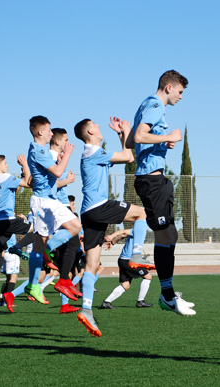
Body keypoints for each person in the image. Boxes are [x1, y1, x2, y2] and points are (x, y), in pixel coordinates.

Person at [126, 70, 196, 316]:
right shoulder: (155, 105)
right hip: (151, 182)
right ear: (169, 87)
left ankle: (168, 292)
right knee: (165, 235)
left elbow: (132, 141)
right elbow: (139, 136)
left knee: (171, 235)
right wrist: (168, 136)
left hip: (157, 180)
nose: (181, 97)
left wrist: (160, 142)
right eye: (180, 92)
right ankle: (167, 296)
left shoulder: (147, 104)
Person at [73, 116, 150, 336]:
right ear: (89, 133)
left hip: (88, 213)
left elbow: (127, 154)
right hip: (99, 207)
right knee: (142, 213)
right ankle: (136, 255)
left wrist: (121, 135)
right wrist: (125, 131)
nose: (99, 127)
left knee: (92, 265)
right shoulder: (94, 152)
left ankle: (86, 309)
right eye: (95, 126)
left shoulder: (92, 153)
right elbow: (129, 156)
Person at [26, 115, 82, 304]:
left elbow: (36, 178)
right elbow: (58, 173)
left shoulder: (40, 150)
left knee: (75, 226)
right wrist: (66, 155)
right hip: (43, 203)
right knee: (39, 244)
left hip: (50, 201)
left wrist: (59, 160)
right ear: (41, 132)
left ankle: (46, 251)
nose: (51, 133)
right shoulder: (37, 149)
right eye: (49, 130)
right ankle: (33, 285)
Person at [0, 153, 33, 314]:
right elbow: (29, 183)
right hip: (8, 220)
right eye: (5, 163)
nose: (7, 166)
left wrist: (19, 176)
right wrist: (25, 165)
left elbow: (14, 188)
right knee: (38, 229)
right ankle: (17, 247)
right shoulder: (6, 177)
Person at [100, 229, 153, 309]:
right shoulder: (138, 229)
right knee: (148, 276)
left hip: (123, 260)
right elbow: (123, 232)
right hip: (128, 261)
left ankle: (107, 302)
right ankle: (140, 301)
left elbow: (122, 236)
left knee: (126, 285)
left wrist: (113, 242)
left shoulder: (137, 231)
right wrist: (111, 236)